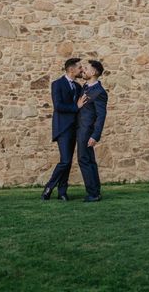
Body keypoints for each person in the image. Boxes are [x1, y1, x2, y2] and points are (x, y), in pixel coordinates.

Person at [41, 58, 87, 201]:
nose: (82, 70)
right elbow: (58, 106)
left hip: (75, 128)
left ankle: (62, 192)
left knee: (67, 161)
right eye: (80, 68)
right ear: (71, 69)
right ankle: (49, 187)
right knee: (65, 161)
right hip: (62, 128)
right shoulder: (57, 84)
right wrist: (76, 107)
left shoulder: (79, 87)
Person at [76, 60, 108, 202]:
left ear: (94, 72)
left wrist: (95, 136)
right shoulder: (85, 87)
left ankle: (93, 194)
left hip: (87, 131)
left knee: (84, 160)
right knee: (89, 161)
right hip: (80, 129)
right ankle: (95, 191)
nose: (83, 70)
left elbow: (101, 116)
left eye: (86, 68)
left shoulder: (99, 92)